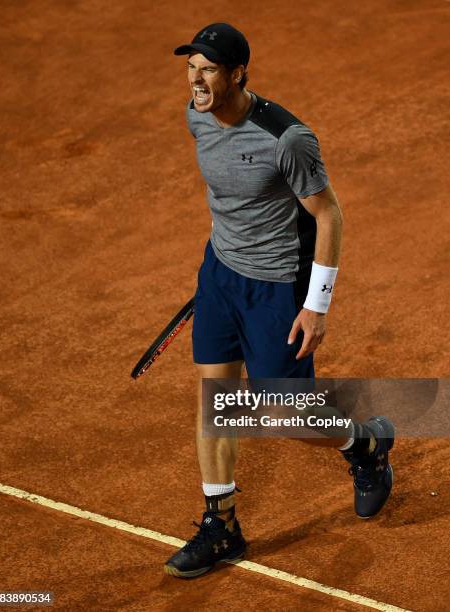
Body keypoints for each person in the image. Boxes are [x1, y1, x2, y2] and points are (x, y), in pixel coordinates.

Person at [164, 23, 394, 579]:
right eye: (190, 67)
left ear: (238, 73)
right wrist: (221, 269)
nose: (195, 80)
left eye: (208, 70)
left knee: (282, 412)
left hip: (278, 285)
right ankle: (221, 526)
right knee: (215, 398)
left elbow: (328, 214)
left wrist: (317, 305)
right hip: (221, 275)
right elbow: (227, 196)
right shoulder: (197, 115)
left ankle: (363, 443)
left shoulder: (286, 139)